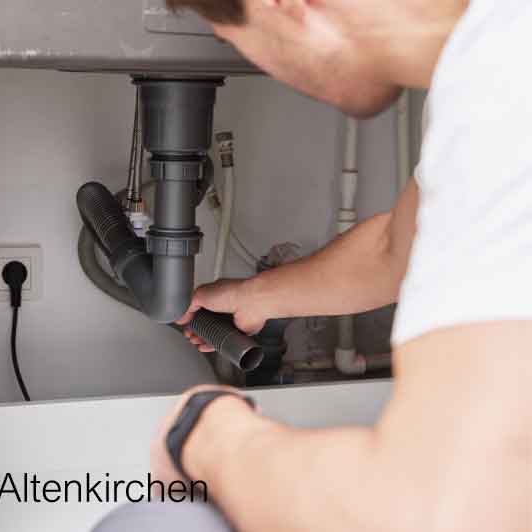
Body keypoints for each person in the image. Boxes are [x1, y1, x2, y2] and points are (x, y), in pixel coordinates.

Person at [97, 0, 531, 530]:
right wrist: (261, 295)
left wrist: (207, 434)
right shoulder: (493, 54)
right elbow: (397, 248)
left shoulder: (506, 85)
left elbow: (437, 510)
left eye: (234, 41)